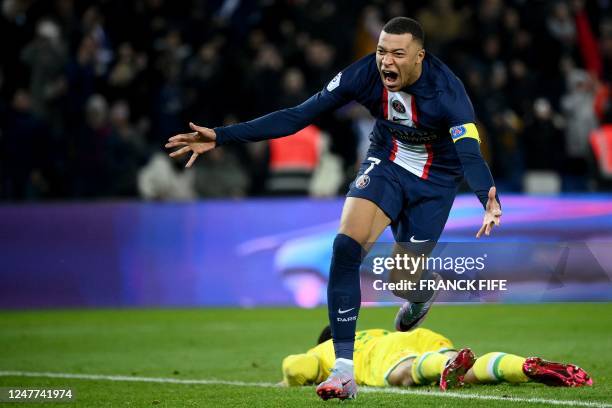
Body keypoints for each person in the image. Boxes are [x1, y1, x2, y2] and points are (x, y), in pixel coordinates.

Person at [165, 17, 502, 400]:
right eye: (380, 52)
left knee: (401, 280)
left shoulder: (447, 92)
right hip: (386, 164)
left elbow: (469, 152)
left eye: (397, 53)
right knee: (345, 248)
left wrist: (486, 196)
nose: (386, 62)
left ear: (419, 56)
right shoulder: (364, 74)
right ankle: (344, 370)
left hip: (435, 182)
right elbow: (298, 115)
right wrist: (222, 136)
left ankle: (422, 293)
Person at [280, 326, 592, 396]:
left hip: (385, 355)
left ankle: (444, 366)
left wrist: (288, 380)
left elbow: (299, 368)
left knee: (405, 373)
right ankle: (522, 366)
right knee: (470, 370)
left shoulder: (327, 349)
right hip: (412, 337)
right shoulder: (371, 331)